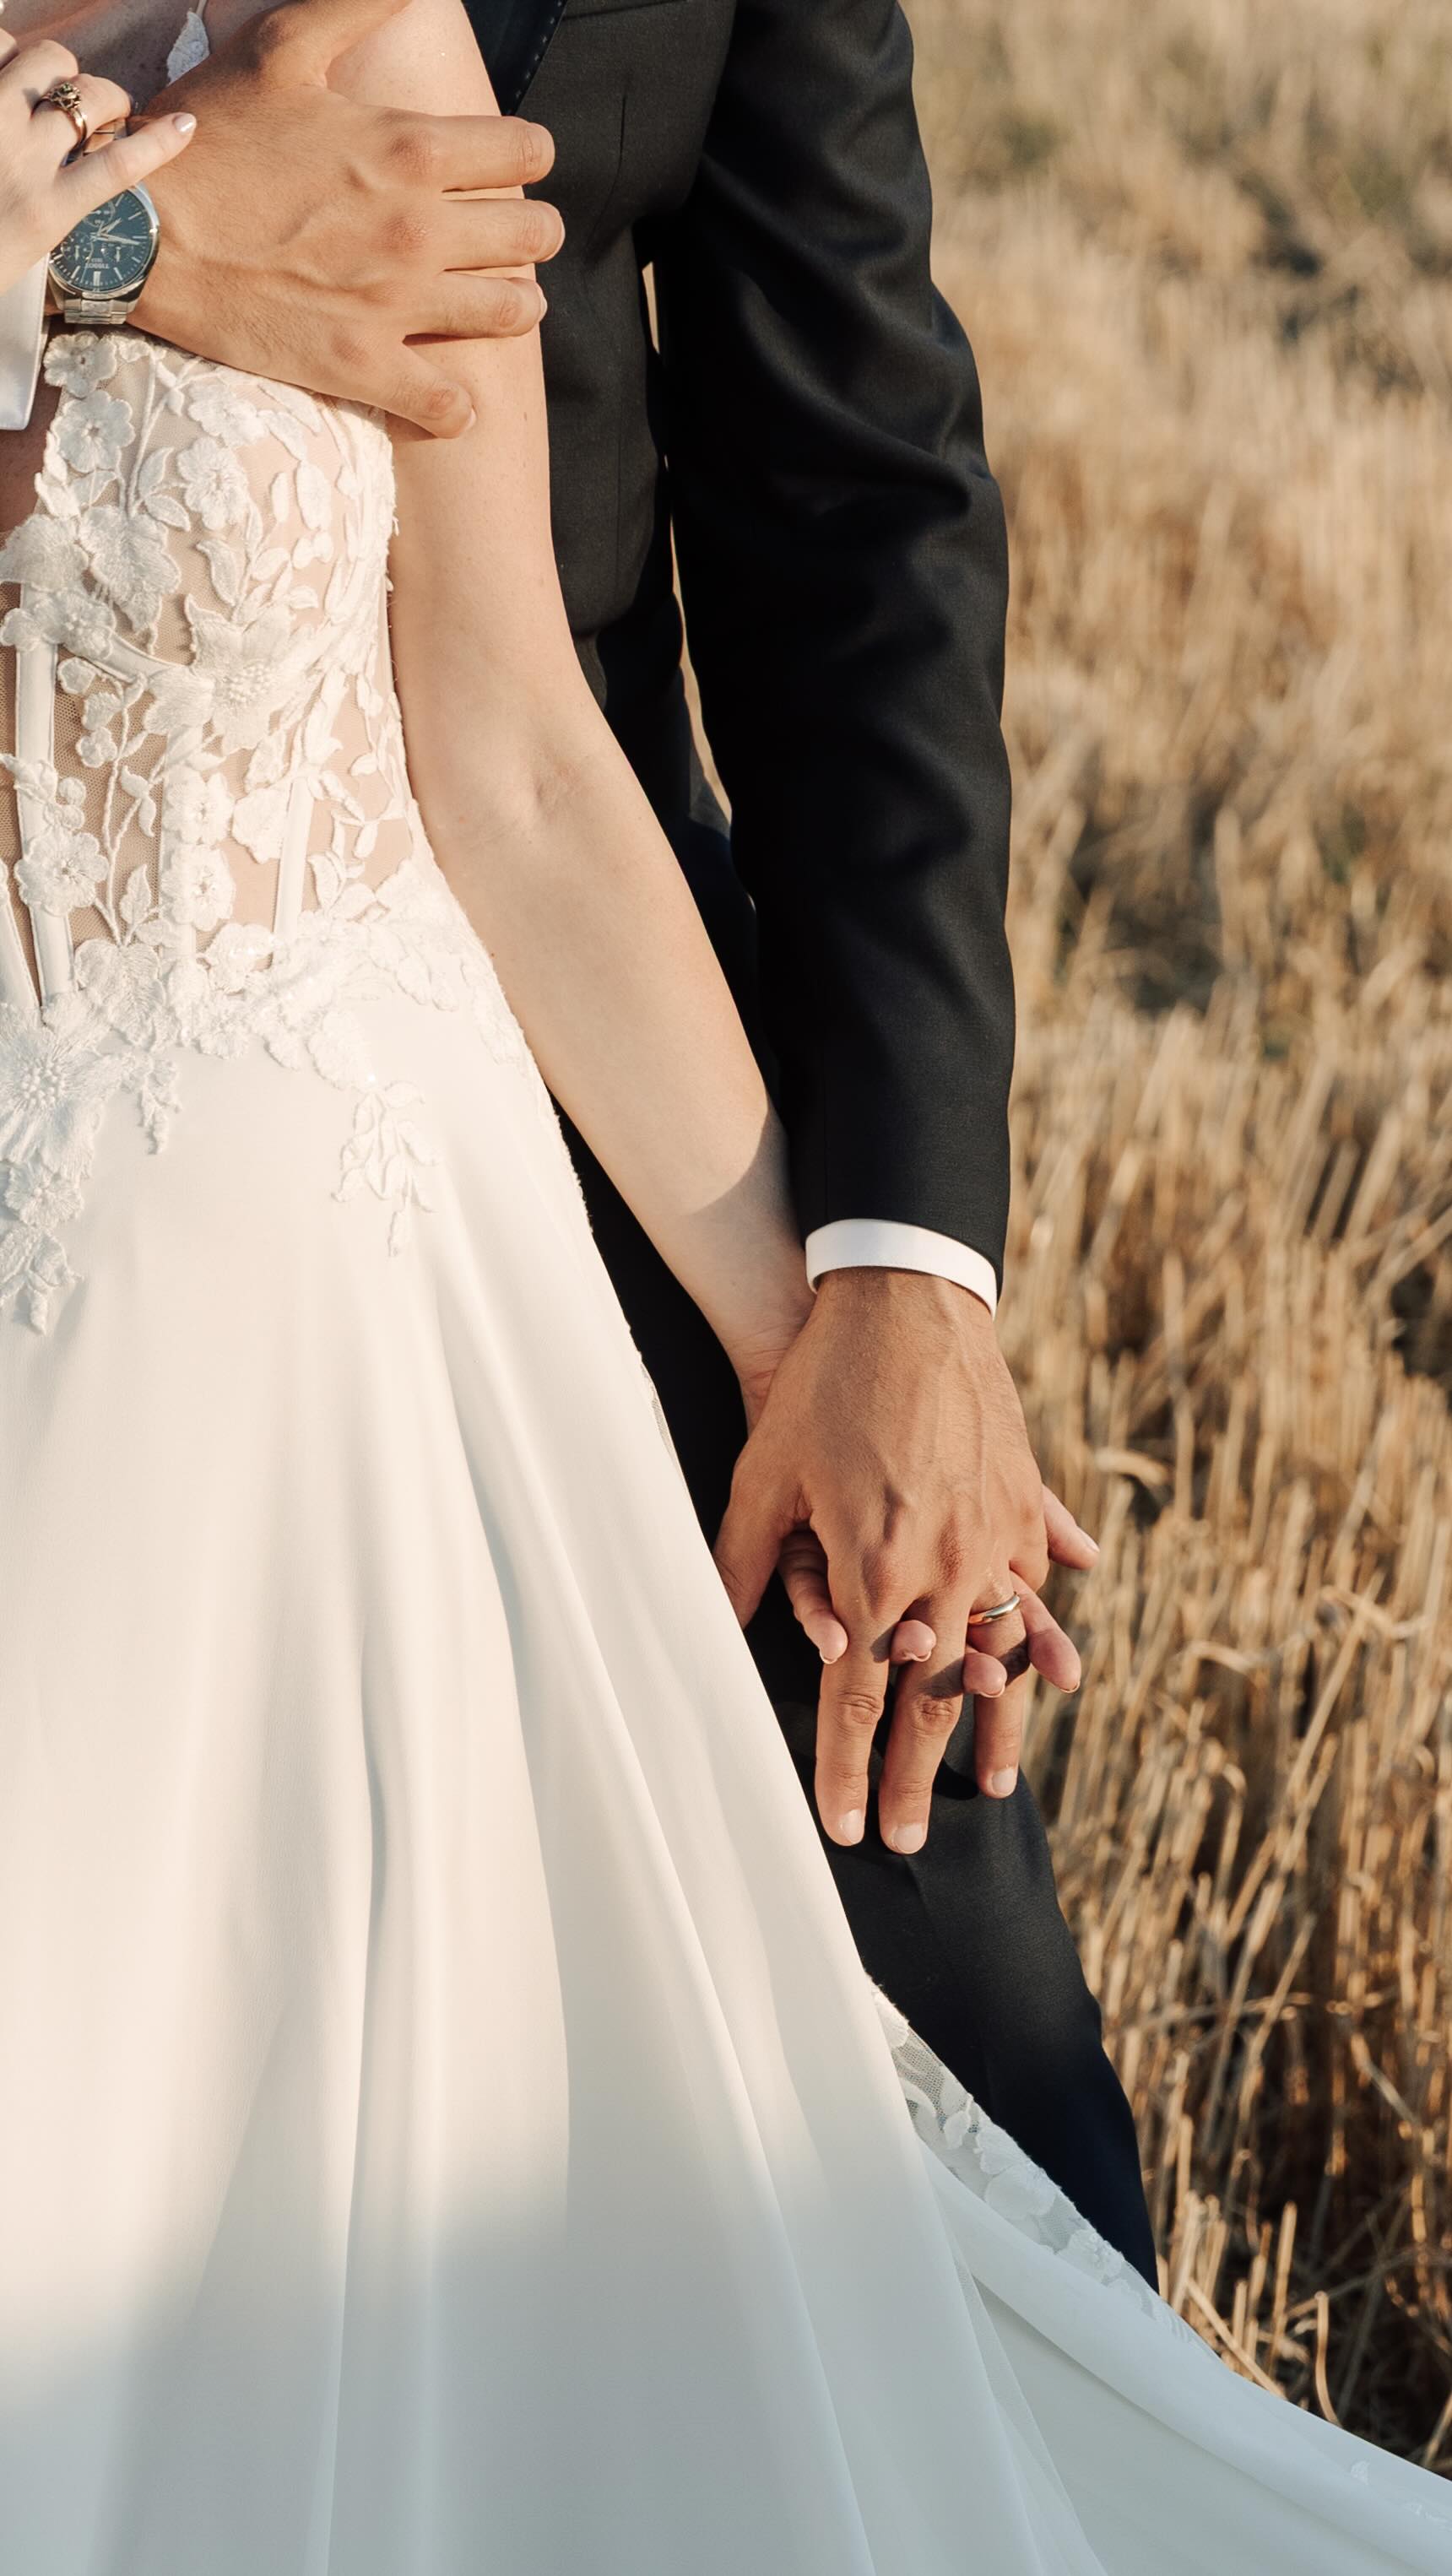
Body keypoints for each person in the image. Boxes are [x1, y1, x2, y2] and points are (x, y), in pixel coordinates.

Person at [1, 3, 1450, 2567]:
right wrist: (115, 249)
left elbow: (568, 734)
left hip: (389, 1265)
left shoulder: (369, 34)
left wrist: (864, 1321)